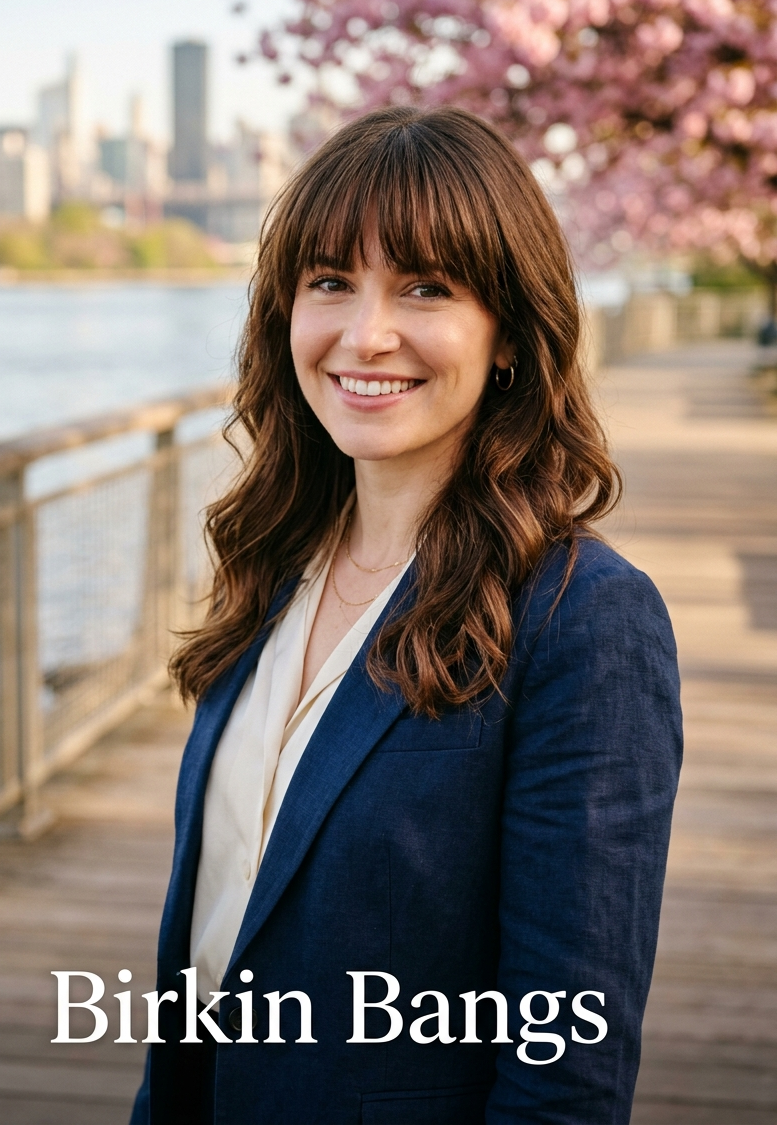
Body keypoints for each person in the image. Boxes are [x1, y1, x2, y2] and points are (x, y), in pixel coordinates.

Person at [130, 107, 682, 1125]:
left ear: (509, 336)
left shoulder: (584, 622)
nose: (364, 333)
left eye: (424, 288)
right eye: (329, 283)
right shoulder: (271, 566)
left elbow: (566, 1070)